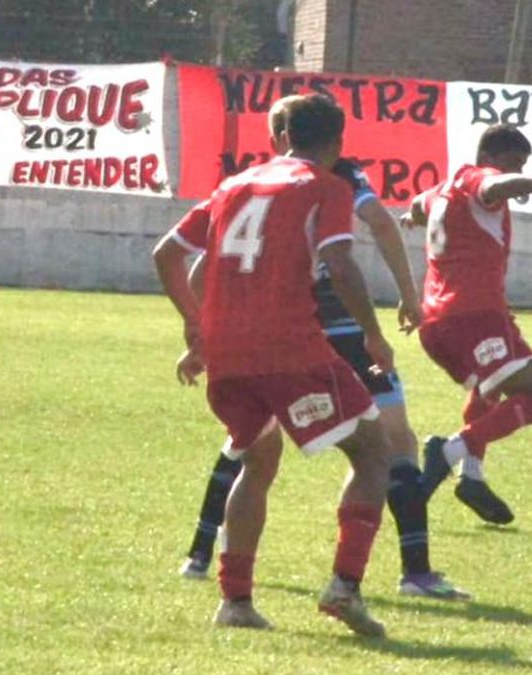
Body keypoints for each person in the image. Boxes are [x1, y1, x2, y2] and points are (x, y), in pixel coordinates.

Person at [174, 152, 470, 601]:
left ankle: (200, 554)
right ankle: (415, 571)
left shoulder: (255, 181)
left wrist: (203, 329)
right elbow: (380, 224)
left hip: (263, 333)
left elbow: (201, 265)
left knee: (249, 442)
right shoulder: (340, 174)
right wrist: (409, 296)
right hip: (339, 327)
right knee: (392, 441)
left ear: (282, 137)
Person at [152, 94, 392, 635]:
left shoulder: (233, 186)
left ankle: (235, 602)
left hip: (229, 354)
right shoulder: (325, 187)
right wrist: (374, 335)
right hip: (290, 348)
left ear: (282, 138)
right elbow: (340, 262)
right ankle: (345, 587)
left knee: (259, 462)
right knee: (374, 451)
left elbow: (168, 255)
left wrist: (197, 329)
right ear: (336, 145)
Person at [402, 123, 532, 524]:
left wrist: (410, 218)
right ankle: (451, 451)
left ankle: (471, 477)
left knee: (486, 392)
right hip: (474, 316)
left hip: (440, 321)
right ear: (491, 158)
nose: (517, 169)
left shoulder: (441, 190)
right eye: (514, 162)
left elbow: (417, 210)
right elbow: (497, 186)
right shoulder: (481, 179)